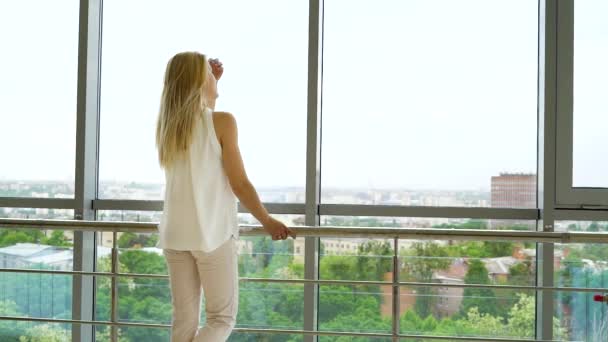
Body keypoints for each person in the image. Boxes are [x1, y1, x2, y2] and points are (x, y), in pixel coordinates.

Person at [155, 51, 296, 342]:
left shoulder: (168, 129)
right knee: (221, 318)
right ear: (200, 80)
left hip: (175, 235)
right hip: (211, 234)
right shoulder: (223, 122)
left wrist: (211, 87)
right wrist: (266, 220)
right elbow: (239, 183)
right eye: (209, 73)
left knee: (184, 321)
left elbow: (198, 116)